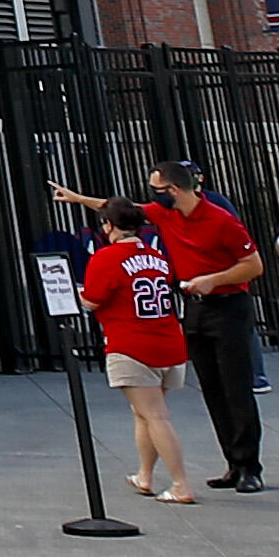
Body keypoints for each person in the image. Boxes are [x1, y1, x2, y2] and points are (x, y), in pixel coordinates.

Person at [77, 163, 264, 491]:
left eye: (156, 189)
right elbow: (121, 211)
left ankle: (249, 465)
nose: (152, 196)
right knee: (212, 388)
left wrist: (212, 280)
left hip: (227, 305)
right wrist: (78, 198)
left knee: (236, 387)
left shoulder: (221, 220)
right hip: (195, 306)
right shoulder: (167, 215)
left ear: (174, 190)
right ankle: (232, 462)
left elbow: (253, 266)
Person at [81, 197, 198, 502]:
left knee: (155, 416)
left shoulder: (107, 258)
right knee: (144, 413)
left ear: (108, 225)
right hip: (168, 341)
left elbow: (93, 300)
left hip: (131, 343)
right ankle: (145, 475)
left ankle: (180, 483)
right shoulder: (157, 256)